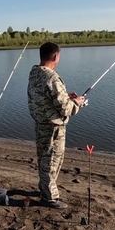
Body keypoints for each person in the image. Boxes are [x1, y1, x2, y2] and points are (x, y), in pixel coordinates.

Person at [27, 42, 85, 209]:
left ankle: (44, 189)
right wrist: (78, 103)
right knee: (51, 161)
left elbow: (44, 96)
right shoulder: (52, 77)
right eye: (59, 55)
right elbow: (66, 109)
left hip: (41, 124)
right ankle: (49, 198)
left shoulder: (35, 73)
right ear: (55, 56)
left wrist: (67, 96)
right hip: (53, 128)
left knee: (45, 159)